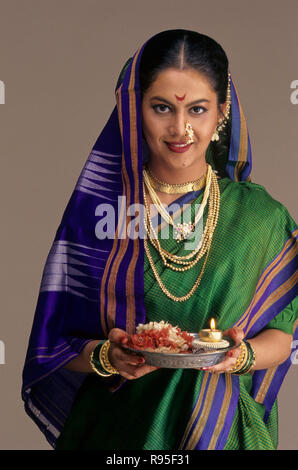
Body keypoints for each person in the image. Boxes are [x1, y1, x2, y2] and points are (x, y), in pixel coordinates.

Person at [22, 29, 298, 450]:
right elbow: (55, 342)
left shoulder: (259, 217)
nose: (180, 128)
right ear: (135, 110)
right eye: (162, 108)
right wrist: (105, 355)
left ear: (222, 112)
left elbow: (282, 335)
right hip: (119, 429)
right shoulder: (100, 215)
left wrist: (240, 357)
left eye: (198, 109)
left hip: (221, 429)